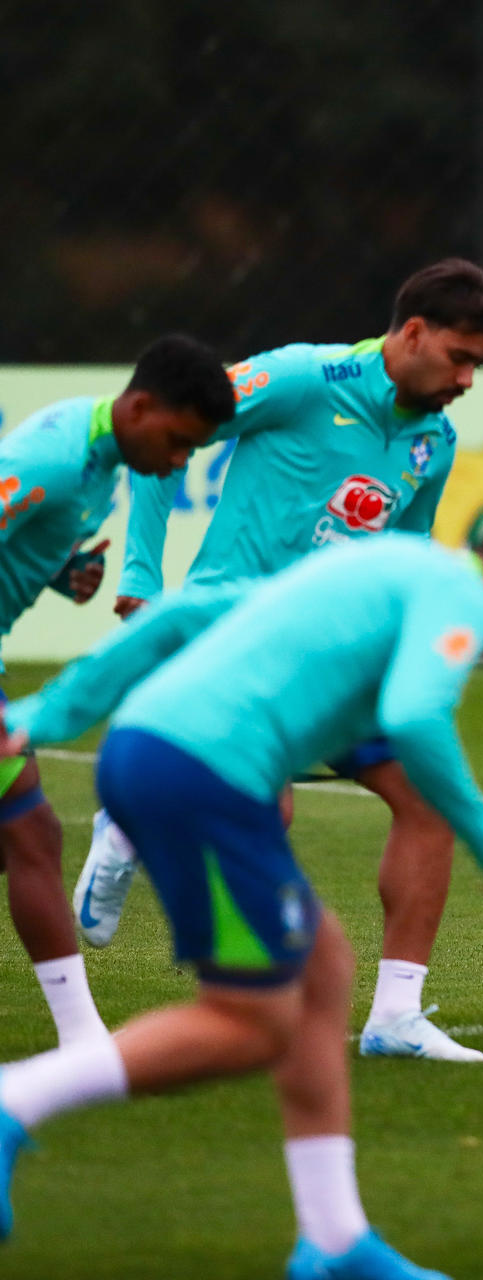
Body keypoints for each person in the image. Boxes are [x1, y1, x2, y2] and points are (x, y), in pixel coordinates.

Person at [0, 522, 483, 1278]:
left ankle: (335, 1239)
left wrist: (46, 713)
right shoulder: (459, 594)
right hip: (203, 773)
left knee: (321, 971)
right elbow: (415, 715)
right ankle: (17, 1097)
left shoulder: (386, 564)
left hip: (166, 753)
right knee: (248, 1023)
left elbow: (181, 615)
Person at [75, 259, 483, 1060]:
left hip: (339, 657)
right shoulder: (301, 378)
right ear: (411, 332)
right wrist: (141, 572)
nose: (468, 378)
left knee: (428, 800)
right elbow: (173, 431)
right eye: (459, 357)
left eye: (479, 364)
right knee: (264, 809)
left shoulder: (435, 443)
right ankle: (129, 832)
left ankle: (396, 1018)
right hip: (236, 644)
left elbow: (404, 555)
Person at [0, 334, 233, 1048]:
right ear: (139, 406)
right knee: (29, 830)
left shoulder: (99, 457)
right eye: (177, 442)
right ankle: (84, 1040)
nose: (177, 462)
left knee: (23, 833)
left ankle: (81, 1037)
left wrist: (61, 570)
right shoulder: (55, 460)